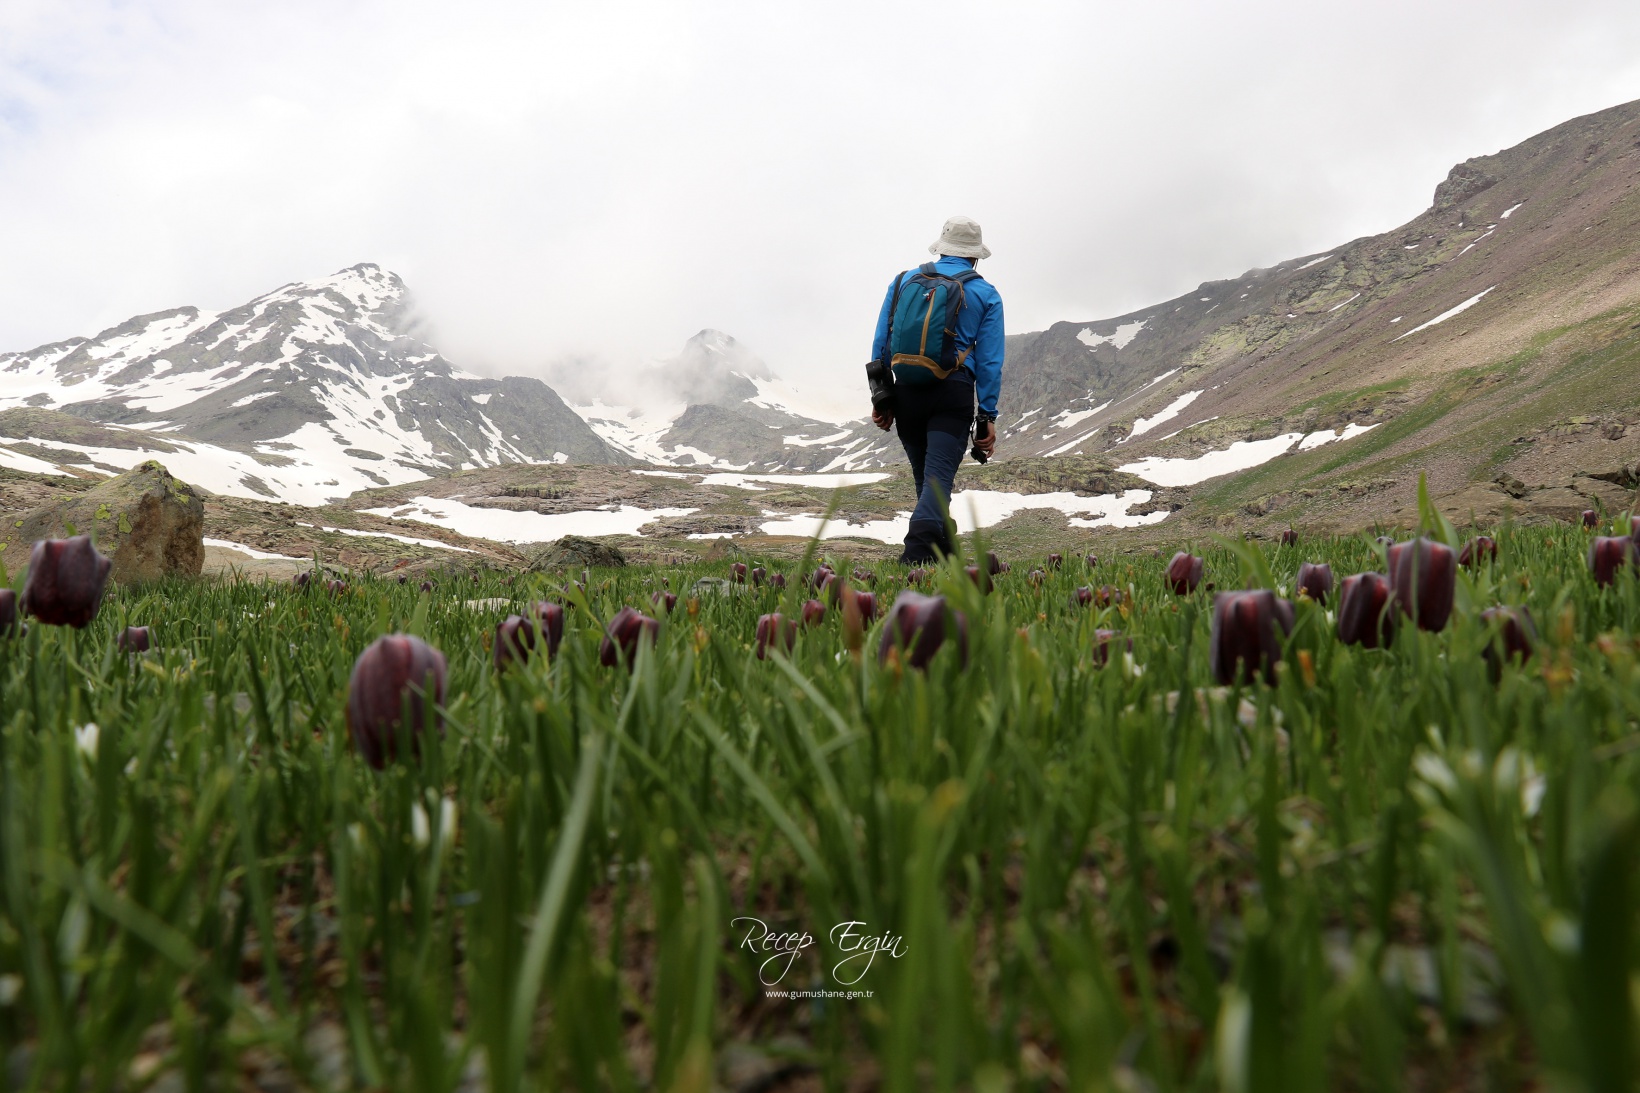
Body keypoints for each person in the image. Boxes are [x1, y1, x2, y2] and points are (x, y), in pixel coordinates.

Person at [869, 215, 1004, 564]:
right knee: (937, 480)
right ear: (975, 256)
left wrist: (881, 397)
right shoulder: (986, 294)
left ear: (942, 248)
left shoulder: (903, 281)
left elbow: (882, 343)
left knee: (927, 482)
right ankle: (915, 554)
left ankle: (942, 556)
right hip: (952, 394)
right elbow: (989, 363)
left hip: (907, 392)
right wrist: (986, 416)